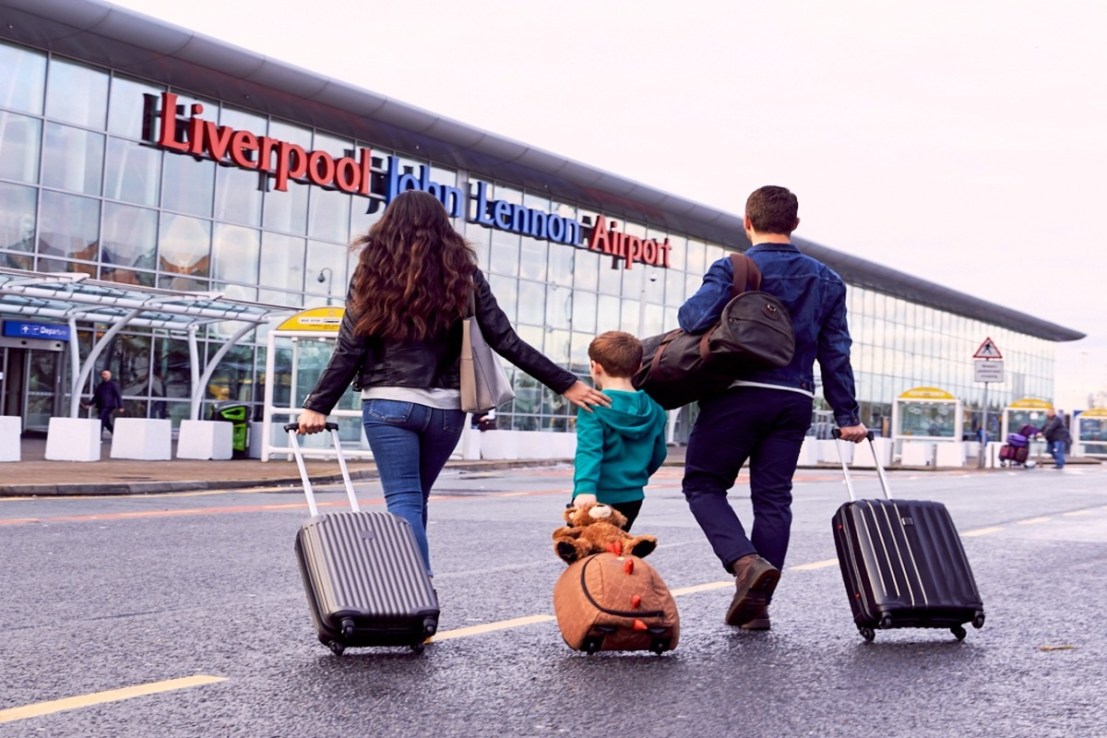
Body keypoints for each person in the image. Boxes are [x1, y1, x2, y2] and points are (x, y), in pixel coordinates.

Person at [295, 190, 609, 576]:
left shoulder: (371, 271)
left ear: (387, 226)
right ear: (443, 229)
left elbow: (350, 347)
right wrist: (565, 384)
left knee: (405, 500)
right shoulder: (462, 274)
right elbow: (504, 339)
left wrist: (317, 405)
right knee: (415, 500)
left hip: (389, 406)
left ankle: (416, 595)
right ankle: (412, 596)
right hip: (446, 411)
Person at [677, 185, 868, 631]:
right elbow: (835, 353)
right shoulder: (826, 279)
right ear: (795, 224)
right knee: (773, 499)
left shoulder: (733, 267)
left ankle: (744, 563)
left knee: (703, 485)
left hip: (736, 394)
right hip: (795, 399)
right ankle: (756, 607)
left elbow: (691, 320)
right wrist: (847, 418)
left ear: (747, 221)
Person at [571, 331, 669, 531]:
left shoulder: (593, 406)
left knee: (581, 552)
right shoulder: (655, 410)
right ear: (639, 367)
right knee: (616, 547)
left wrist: (585, 489)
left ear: (595, 367)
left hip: (596, 496)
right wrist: (634, 476)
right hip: (632, 497)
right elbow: (660, 454)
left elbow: (589, 451)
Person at [86, 369, 124, 437]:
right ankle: (117, 435)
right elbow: (96, 396)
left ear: (109, 375)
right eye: (102, 374)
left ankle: (98, 437)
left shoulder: (113, 385)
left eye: (105, 374)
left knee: (100, 421)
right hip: (101, 406)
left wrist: (120, 406)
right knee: (106, 423)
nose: (103, 376)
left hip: (108, 406)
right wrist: (90, 404)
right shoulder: (100, 386)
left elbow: (118, 395)